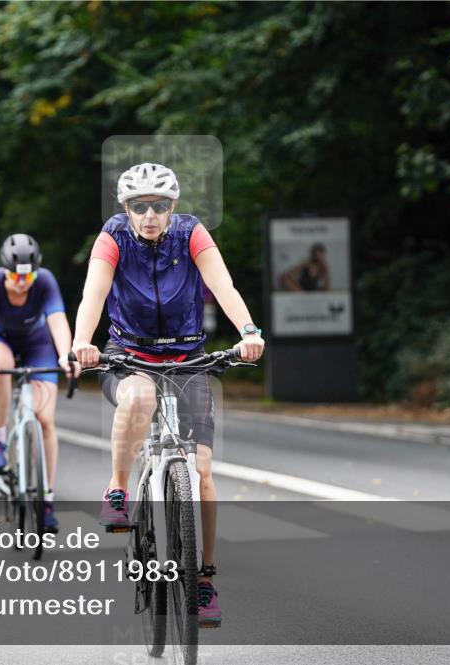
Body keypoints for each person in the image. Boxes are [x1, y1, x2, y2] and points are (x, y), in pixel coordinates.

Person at [70, 162, 265, 627]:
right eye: (139, 207)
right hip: (129, 354)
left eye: (159, 206)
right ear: (126, 209)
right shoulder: (112, 236)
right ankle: (118, 488)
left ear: (172, 206)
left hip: (187, 357)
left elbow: (222, 284)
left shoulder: (191, 232)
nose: (149, 215)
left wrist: (248, 330)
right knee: (139, 399)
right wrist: (81, 342)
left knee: (201, 471)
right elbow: (93, 294)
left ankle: (204, 578)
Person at [0, 234, 74, 533]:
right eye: (16, 276)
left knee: (45, 420)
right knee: (0, 366)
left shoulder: (45, 280)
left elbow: (57, 320)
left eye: (28, 276)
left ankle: (46, 500)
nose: (22, 282)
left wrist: (66, 355)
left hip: (36, 343)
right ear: (5, 271)